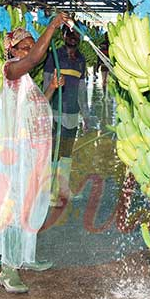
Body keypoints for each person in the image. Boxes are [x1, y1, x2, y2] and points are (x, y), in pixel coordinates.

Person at [0, 13, 70, 293]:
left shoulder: (27, 82)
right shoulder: (10, 71)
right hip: (14, 156)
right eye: (25, 46)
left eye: (32, 46)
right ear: (11, 50)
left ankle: (26, 256)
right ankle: (8, 269)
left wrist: (50, 89)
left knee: (31, 203)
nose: (31, 51)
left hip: (33, 153)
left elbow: (36, 108)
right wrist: (51, 27)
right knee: (12, 205)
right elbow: (35, 59)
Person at [42, 27, 91, 208]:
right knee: (53, 150)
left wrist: (85, 113)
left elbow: (81, 88)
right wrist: (45, 108)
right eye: (69, 33)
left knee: (67, 152)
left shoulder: (81, 60)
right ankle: (49, 191)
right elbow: (47, 81)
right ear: (63, 36)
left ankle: (64, 189)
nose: (73, 37)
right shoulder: (54, 56)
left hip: (72, 111)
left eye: (76, 34)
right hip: (55, 110)